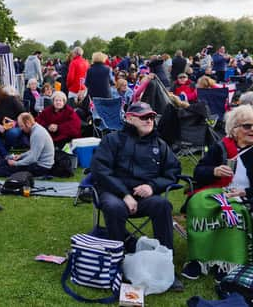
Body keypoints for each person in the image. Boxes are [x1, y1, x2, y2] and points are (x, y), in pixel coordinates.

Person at [90, 101, 182, 290]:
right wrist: (124, 194)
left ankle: (166, 265)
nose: (149, 120)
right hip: (114, 193)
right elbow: (100, 170)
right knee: (114, 207)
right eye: (144, 117)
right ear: (130, 118)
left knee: (163, 205)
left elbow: (173, 172)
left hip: (145, 196)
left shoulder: (160, 144)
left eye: (151, 117)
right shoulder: (113, 140)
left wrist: (152, 186)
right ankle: (117, 264)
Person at [181, 105, 253, 282]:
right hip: (216, 191)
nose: (252, 130)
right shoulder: (220, 147)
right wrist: (214, 171)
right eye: (247, 126)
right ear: (234, 129)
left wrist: (246, 192)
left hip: (245, 196)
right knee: (200, 206)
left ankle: (228, 262)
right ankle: (199, 260)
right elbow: (198, 172)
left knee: (231, 213)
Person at [0, 112, 54, 177]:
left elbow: (33, 158)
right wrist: (21, 156)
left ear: (28, 123)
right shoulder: (36, 129)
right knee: (6, 162)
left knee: (4, 170)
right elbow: (33, 151)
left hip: (41, 167)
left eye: (21, 126)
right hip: (37, 163)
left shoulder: (37, 134)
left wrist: (16, 163)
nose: (21, 128)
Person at [0, 84, 26, 158]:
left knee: (12, 133)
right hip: (0, 126)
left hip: (15, 125)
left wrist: (15, 122)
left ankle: (5, 150)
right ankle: (6, 155)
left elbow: (23, 112)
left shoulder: (11, 99)